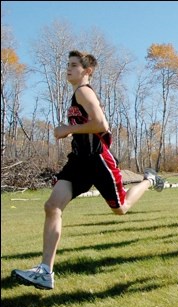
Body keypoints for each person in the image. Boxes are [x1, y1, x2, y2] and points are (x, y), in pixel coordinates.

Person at [11, 50, 164, 290]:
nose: (68, 69)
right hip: (78, 161)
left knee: (121, 209)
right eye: (68, 65)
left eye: (74, 65)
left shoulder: (83, 91)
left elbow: (101, 124)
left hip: (97, 160)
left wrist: (66, 129)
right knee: (52, 206)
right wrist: (72, 132)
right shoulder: (76, 94)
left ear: (87, 71)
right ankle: (45, 271)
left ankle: (148, 180)